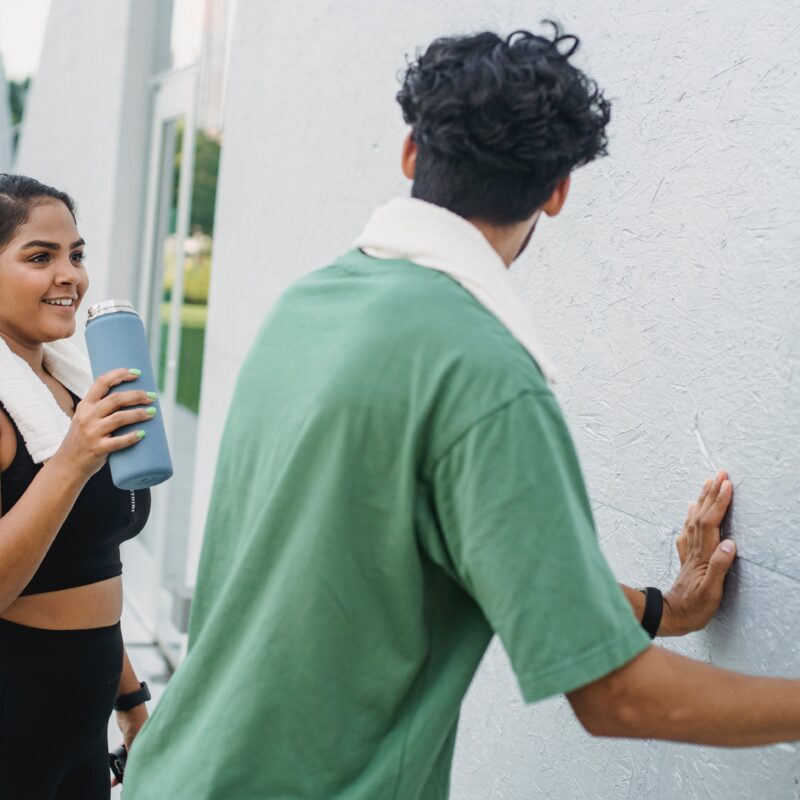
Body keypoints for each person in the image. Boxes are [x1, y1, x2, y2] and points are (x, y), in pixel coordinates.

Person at [124, 25, 796, 800]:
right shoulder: (485, 376)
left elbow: (441, 554)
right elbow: (615, 695)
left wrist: (662, 610)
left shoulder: (305, 308)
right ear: (558, 190)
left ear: (412, 154)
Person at [0, 174, 158, 799]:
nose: (70, 275)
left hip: (82, 729)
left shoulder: (73, 390)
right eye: (40, 256)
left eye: (77, 254)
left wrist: (132, 701)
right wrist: (73, 460)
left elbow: (94, 566)